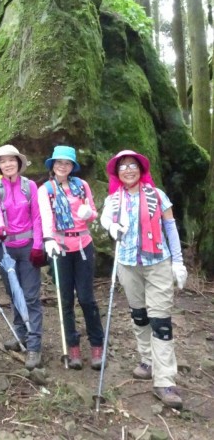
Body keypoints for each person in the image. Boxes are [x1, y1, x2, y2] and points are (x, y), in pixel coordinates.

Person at [100, 149, 188, 409]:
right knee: (139, 315)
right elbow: (105, 218)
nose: (128, 169)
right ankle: (147, 360)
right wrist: (110, 226)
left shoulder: (157, 195)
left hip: (157, 263)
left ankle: (165, 380)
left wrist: (178, 261)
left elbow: (170, 227)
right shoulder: (113, 200)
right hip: (128, 264)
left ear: (141, 169)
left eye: (132, 165)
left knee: (160, 320)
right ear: (117, 172)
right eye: (123, 166)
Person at [38, 146, 104, 370]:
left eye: (67, 163)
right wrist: (49, 240)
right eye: (58, 162)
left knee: (86, 298)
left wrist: (89, 214)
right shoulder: (46, 189)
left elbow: (93, 212)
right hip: (60, 247)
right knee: (65, 299)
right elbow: (46, 216)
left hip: (83, 245)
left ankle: (97, 345)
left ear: (72, 166)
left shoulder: (82, 186)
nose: (62, 166)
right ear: (52, 165)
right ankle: (72, 346)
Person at [0, 145, 44, 370]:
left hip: (29, 246)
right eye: (3, 161)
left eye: (12, 160)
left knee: (30, 295)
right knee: (12, 291)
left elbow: (37, 217)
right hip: (5, 248)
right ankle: (20, 333)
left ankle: (34, 345)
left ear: (19, 163)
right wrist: (0, 228)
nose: (8, 164)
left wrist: (38, 246)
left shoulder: (30, 187)